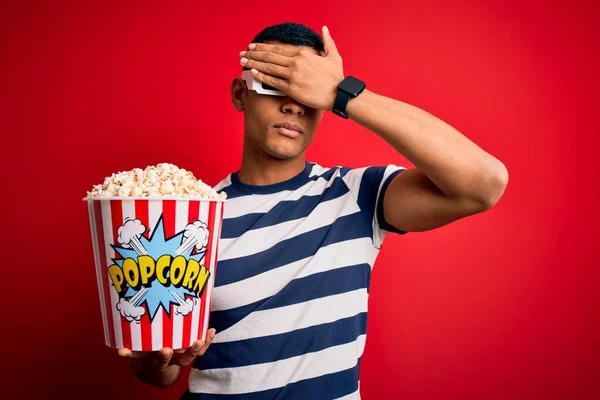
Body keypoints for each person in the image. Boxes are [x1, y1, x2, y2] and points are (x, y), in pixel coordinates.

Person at [118, 22, 509, 399]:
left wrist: (346, 94)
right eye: (274, 84)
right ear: (241, 94)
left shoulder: (356, 196)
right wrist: (157, 359)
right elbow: (161, 371)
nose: (293, 105)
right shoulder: (192, 218)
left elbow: (484, 185)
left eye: (308, 91)